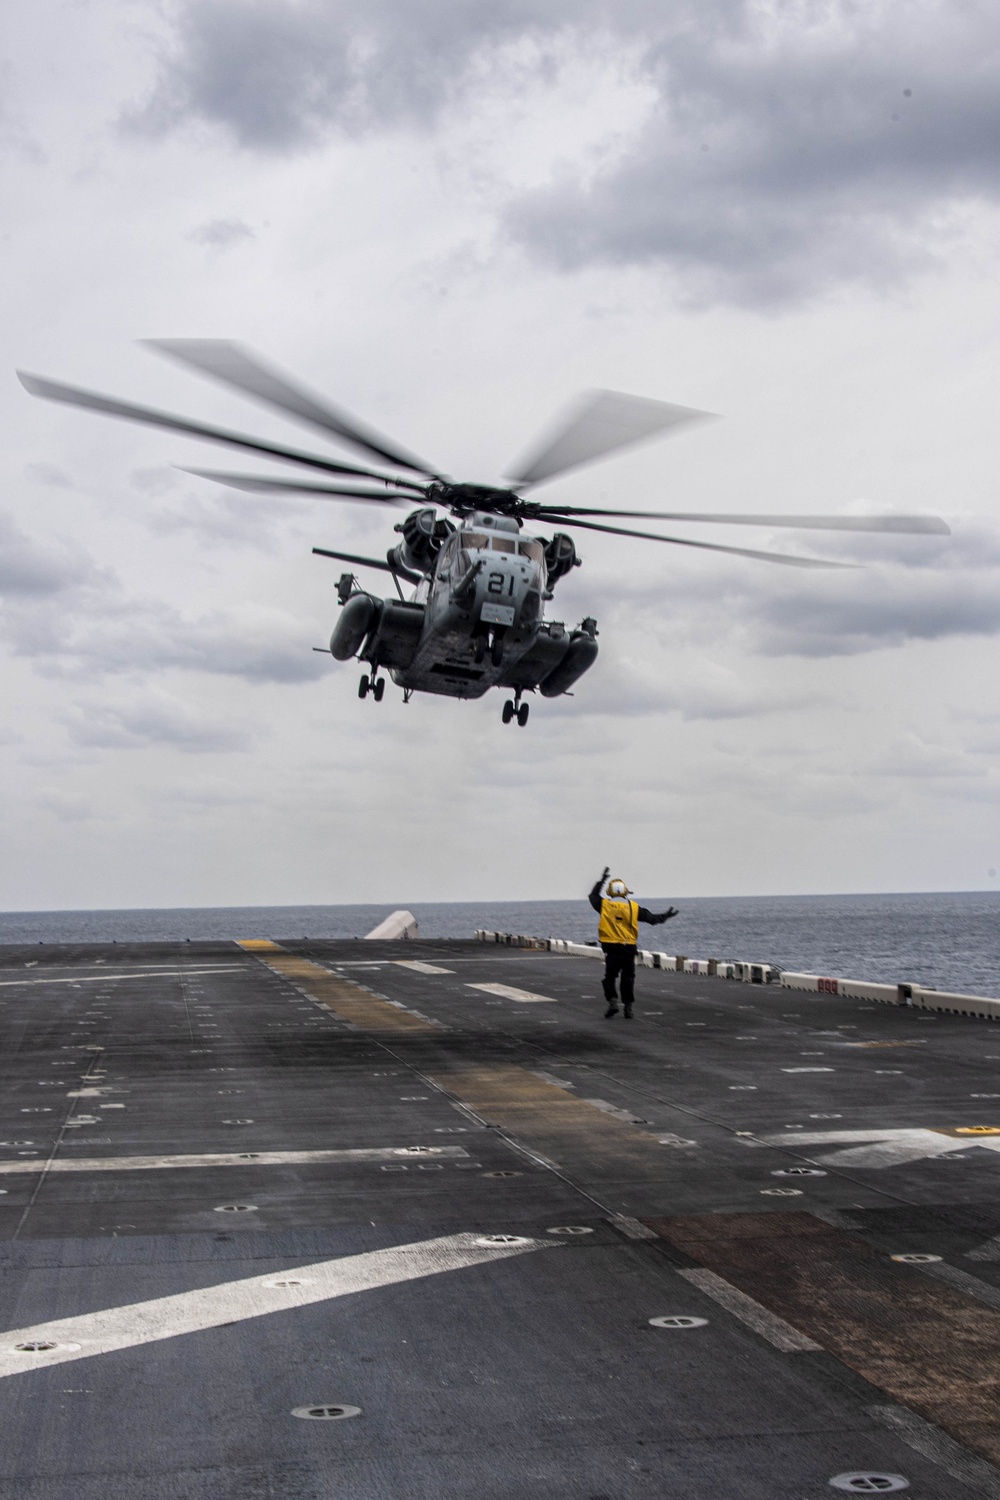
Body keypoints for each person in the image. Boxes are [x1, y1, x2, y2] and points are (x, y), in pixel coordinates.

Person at [588, 867, 678, 1019]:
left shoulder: (605, 906)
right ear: (625, 892)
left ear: (610, 892)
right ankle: (628, 1008)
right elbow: (652, 919)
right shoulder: (633, 907)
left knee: (609, 978)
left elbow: (593, 896)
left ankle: (613, 1002)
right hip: (628, 949)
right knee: (628, 978)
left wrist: (602, 880)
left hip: (611, 948)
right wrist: (666, 916)